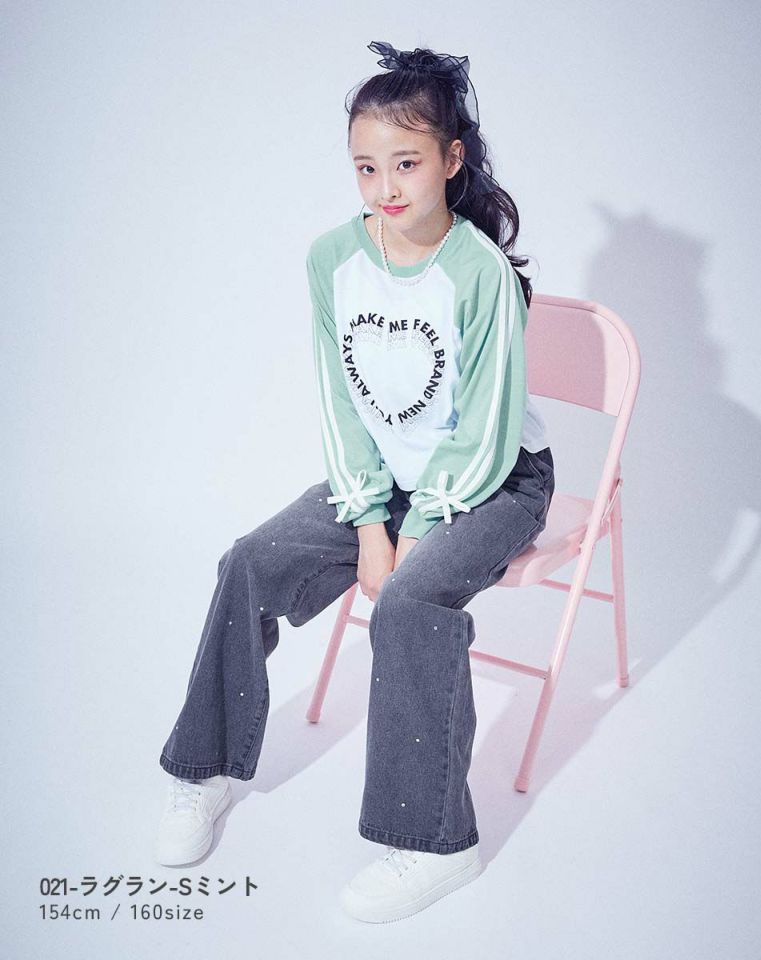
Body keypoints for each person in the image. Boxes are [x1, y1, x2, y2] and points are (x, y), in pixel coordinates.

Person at [154, 39, 555, 924]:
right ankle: (204, 769)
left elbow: (486, 431)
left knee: (409, 603)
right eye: (367, 167)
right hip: (387, 479)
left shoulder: (479, 272)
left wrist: (412, 536)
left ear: (451, 160)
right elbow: (342, 406)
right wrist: (372, 523)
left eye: (406, 163)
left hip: (494, 479)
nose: (385, 187)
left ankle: (436, 843)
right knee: (250, 559)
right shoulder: (332, 258)